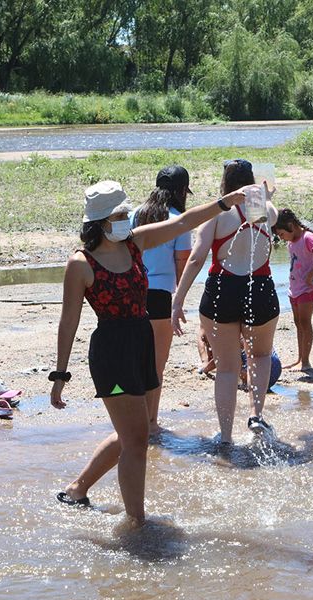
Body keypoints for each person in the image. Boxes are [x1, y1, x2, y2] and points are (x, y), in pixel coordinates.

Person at [52, 180, 248, 524]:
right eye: (118, 215)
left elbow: (182, 222)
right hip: (112, 352)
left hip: (141, 342)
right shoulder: (80, 263)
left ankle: (77, 489)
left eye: (126, 213)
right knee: (137, 439)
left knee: (133, 431)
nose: (126, 219)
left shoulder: (135, 243)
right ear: (97, 222)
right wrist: (60, 376)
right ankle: (137, 523)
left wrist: (223, 203)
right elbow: (68, 324)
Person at [172, 159, 280, 443]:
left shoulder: (218, 213)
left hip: (222, 290)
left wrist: (178, 299)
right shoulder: (265, 209)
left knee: (227, 367)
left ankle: (226, 436)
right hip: (260, 287)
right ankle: (256, 416)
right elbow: (264, 216)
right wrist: (264, 196)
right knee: (260, 356)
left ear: (225, 183)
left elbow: (196, 258)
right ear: (253, 180)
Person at [130, 165, 195, 436]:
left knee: (135, 359)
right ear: (181, 191)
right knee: (156, 363)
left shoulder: (134, 215)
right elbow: (182, 265)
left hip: (132, 292)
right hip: (159, 296)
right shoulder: (177, 220)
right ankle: (151, 422)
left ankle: (133, 420)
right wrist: (179, 300)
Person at [272, 208, 313, 371]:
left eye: (281, 234)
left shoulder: (308, 238)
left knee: (305, 323)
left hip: (307, 289)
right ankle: (300, 358)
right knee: (298, 323)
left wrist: (312, 274)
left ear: (290, 226)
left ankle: (306, 362)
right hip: (295, 288)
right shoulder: (292, 242)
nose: (281, 238)